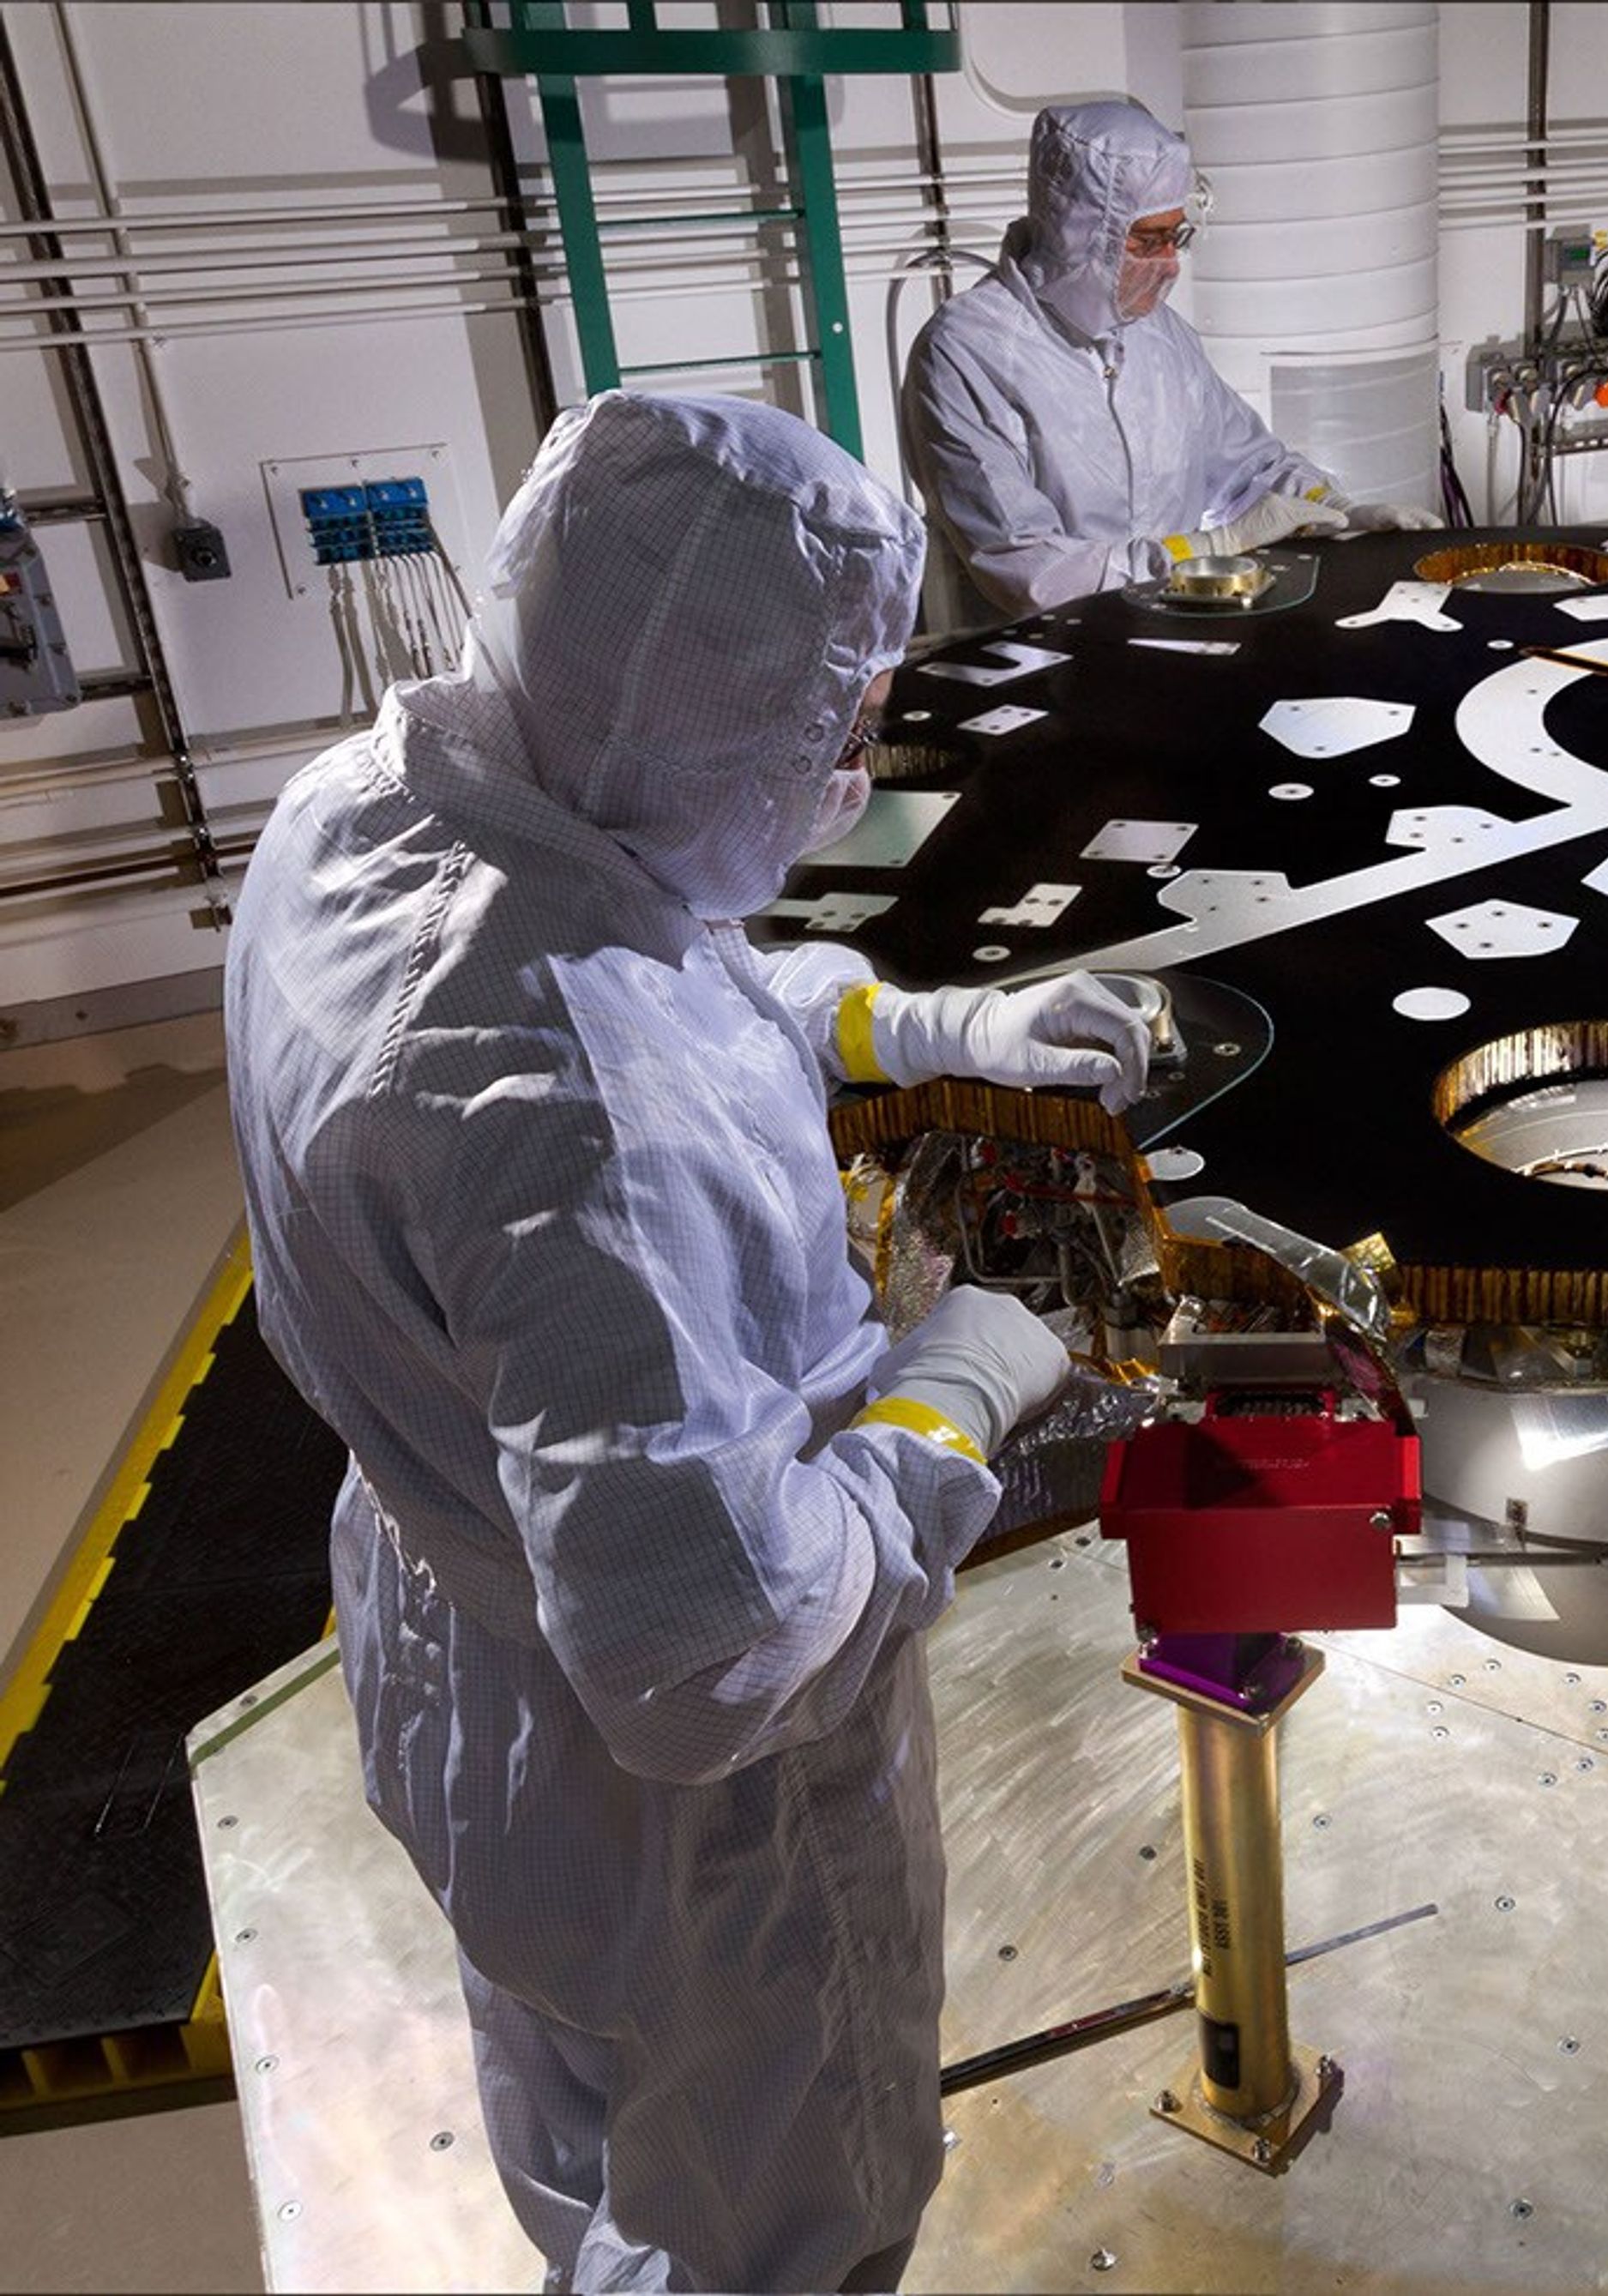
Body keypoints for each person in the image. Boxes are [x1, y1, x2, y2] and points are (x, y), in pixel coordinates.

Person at [223, 389, 1155, 2291]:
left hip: (451, 1651)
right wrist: (962, 1383)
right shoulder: (571, 1104)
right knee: (774, 2224)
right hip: (687, 1821)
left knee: (577, 2113)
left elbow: (669, 958)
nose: (853, 767)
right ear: (704, 718)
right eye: (832, 727)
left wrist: (917, 1030)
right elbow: (712, 1657)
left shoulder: (386, 799)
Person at [900, 98, 1441, 621]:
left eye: (1175, 237)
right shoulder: (967, 353)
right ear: (1079, 234)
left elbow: (1250, 469)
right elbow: (1027, 572)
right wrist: (1208, 548)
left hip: (1169, 632)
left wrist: (1341, 512)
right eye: (1148, 240)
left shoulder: (1160, 338)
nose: (1170, 265)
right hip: (1031, 665)